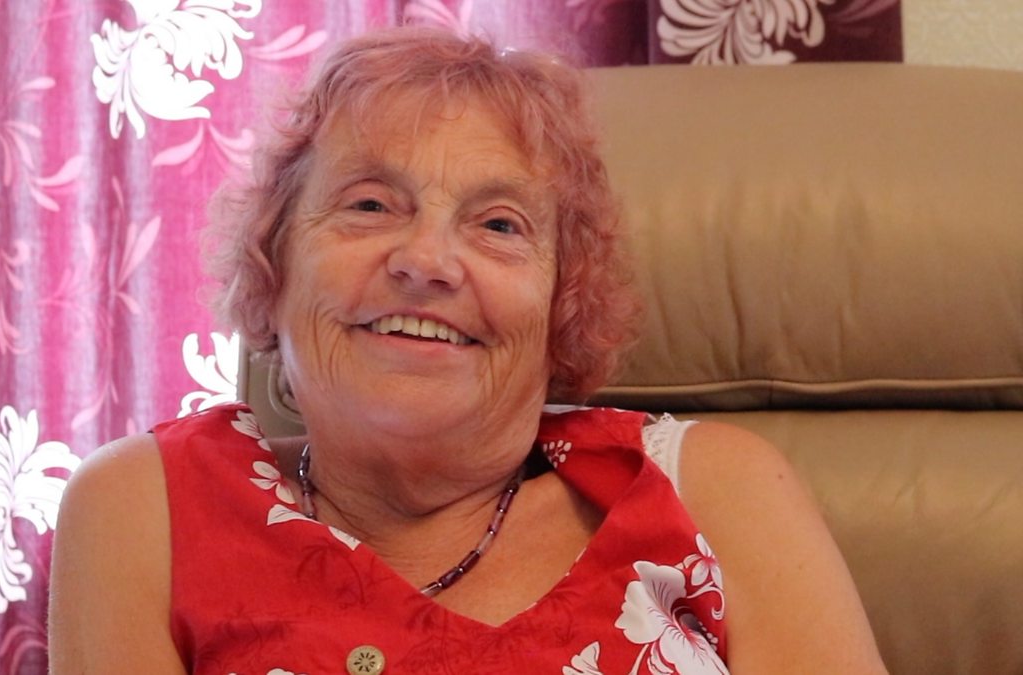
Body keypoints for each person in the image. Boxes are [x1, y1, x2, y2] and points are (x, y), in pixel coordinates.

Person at [49, 27, 887, 674]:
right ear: (275, 268)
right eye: (370, 205)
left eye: (498, 225)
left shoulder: (711, 488)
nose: (426, 260)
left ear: (562, 304)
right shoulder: (146, 508)